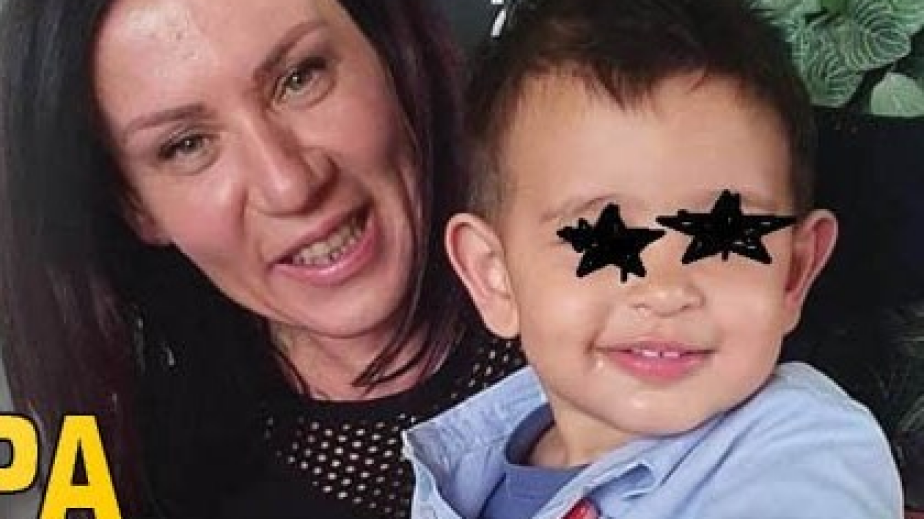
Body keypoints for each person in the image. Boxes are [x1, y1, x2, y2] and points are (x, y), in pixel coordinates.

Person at [0, 0, 524, 517]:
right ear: (136, 206)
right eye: (187, 145)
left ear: (384, 49)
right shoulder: (163, 489)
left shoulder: (571, 235)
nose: (288, 185)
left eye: (300, 77)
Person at [403, 0, 904, 517]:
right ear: (495, 277)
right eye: (603, 238)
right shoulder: (470, 472)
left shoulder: (803, 450)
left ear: (793, 274)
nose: (666, 290)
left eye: (724, 234)